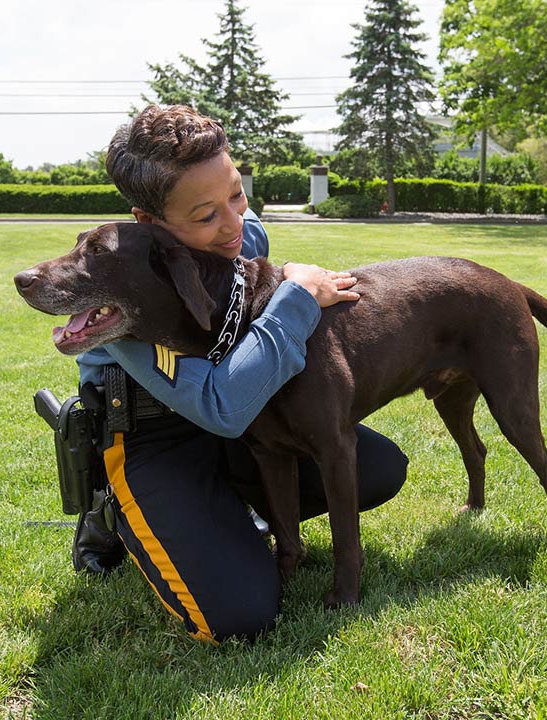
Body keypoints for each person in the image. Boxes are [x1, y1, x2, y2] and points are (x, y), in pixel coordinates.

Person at [73, 104, 408, 643]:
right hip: (157, 435)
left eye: (236, 194)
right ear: (150, 223)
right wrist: (297, 298)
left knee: (377, 468)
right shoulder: (128, 295)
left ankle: (225, 515)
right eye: (205, 217)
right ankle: (115, 512)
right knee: (238, 617)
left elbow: (243, 363)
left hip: (243, 421)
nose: (232, 226)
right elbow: (218, 407)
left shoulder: (242, 235)